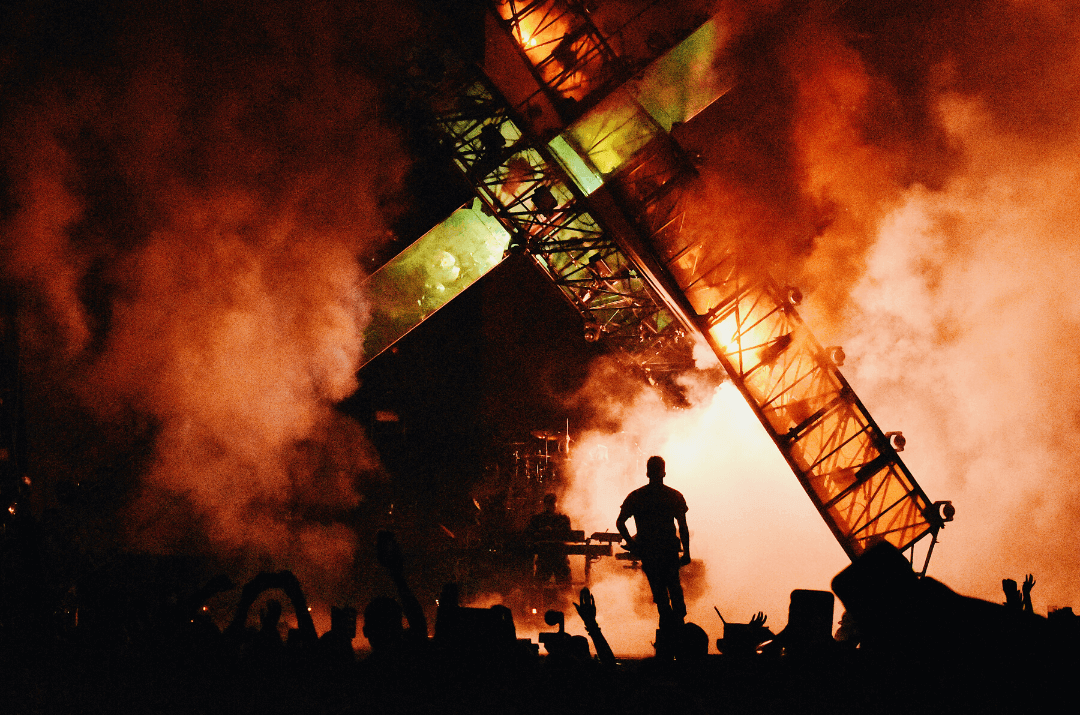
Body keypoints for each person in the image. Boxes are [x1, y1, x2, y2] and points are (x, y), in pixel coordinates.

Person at [616, 456, 691, 654]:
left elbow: (620, 522)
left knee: (661, 597)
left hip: (649, 552)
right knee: (675, 591)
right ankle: (680, 639)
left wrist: (632, 544)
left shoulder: (637, 496)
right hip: (668, 551)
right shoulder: (674, 496)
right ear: (664, 472)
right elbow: (683, 527)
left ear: (647, 472)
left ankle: (666, 640)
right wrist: (687, 552)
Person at [527, 493, 573, 585]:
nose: (551, 505)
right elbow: (530, 534)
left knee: (562, 583)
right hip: (549, 556)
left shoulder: (561, 519)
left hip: (554, 556)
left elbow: (568, 535)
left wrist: (548, 531)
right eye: (550, 503)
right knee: (543, 583)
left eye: (552, 503)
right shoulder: (538, 519)